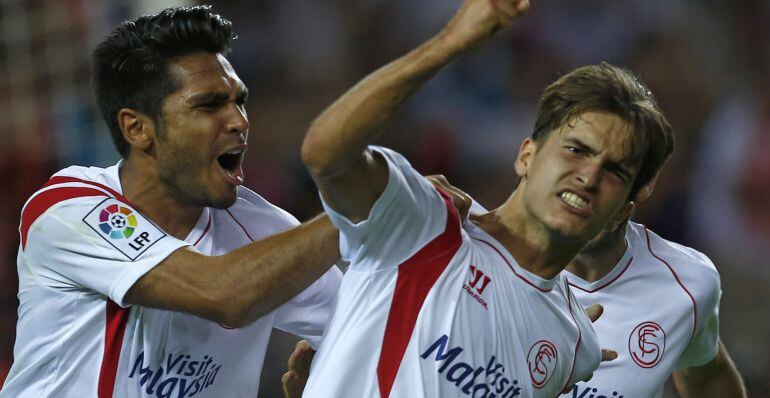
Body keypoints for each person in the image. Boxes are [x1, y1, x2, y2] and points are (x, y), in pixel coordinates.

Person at [298, 0, 673, 396]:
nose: (589, 176)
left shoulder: (576, 344)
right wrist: (448, 43)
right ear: (526, 156)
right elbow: (325, 154)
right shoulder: (430, 222)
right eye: (576, 150)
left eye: (615, 171)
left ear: (621, 214)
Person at [1, 6, 344, 397]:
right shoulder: (71, 208)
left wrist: (336, 383)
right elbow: (223, 292)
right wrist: (354, 213)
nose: (239, 121)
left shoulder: (263, 231)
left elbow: (370, 331)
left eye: (239, 101)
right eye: (209, 104)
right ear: (137, 128)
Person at [560, 194, 747, 396]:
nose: (589, 187)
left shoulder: (686, 284)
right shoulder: (530, 280)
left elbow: (708, 379)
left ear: (644, 185)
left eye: (611, 176)